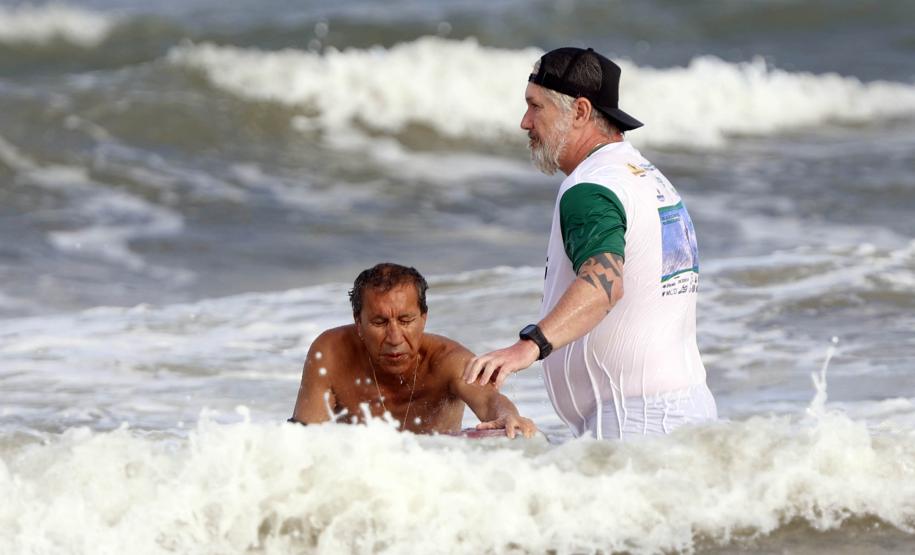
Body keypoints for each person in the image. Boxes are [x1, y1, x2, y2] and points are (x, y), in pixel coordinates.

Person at [463, 47, 717, 440]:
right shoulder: (646, 177)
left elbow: (604, 284)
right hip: (680, 408)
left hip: (636, 424)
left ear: (580, 111)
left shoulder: (591, 187)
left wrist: (527, 348)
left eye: (536, 107)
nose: (524, 122)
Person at [290, 262, 537, 438]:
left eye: (406, 321)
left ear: (423, 318)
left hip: (429, 484)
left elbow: (491, 402)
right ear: (359, 323)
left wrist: (507, 416)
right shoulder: (332, 353)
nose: (395, 337)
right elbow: (304, 439)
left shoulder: (447, 360)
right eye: (379, 322)